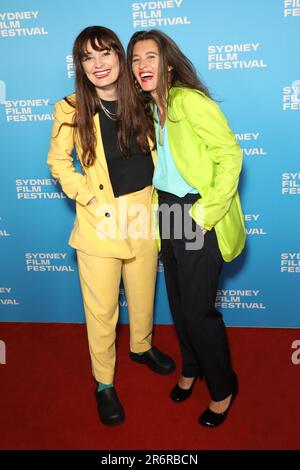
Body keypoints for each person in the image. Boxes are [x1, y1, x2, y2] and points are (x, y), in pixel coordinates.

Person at [47, 26, 175, 427]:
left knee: (142, 292)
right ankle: (103, 383)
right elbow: (56, 161)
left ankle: (141, 346)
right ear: (80, 66)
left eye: (105, 54)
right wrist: (86, 196)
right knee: (101, 310)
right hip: (99, 220)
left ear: (121, 58)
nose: (98, 64)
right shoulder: (70, 108)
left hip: (144, 212)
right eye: (88, 57)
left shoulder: (144, 100)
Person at [128, 30, 246, 427]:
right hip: (168, 213)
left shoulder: (190, 102)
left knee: (198, 312)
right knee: (179, 306)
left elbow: (230, 156)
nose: (142, 65)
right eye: (135, 59)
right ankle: (192, 368)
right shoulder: (151, 107)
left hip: (198, 211)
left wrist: (206, 213)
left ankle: (223, 386)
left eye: (150, 57)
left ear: (169, 64)